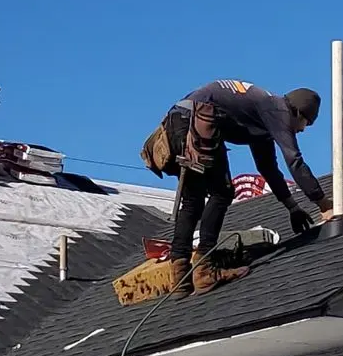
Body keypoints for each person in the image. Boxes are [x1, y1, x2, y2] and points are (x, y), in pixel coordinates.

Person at [141, 79, 332, 284]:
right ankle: (204, 268)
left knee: (193, 199)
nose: (303, 130)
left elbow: (268, 168)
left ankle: (180, 275)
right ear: (298, 112)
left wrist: (292, 207)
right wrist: (323, 203)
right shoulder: (279, 111)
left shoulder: (263, 117)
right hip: (198, 120)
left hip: (180, 121)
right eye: (307, 123)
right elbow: (294, 160)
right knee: (222, 192)